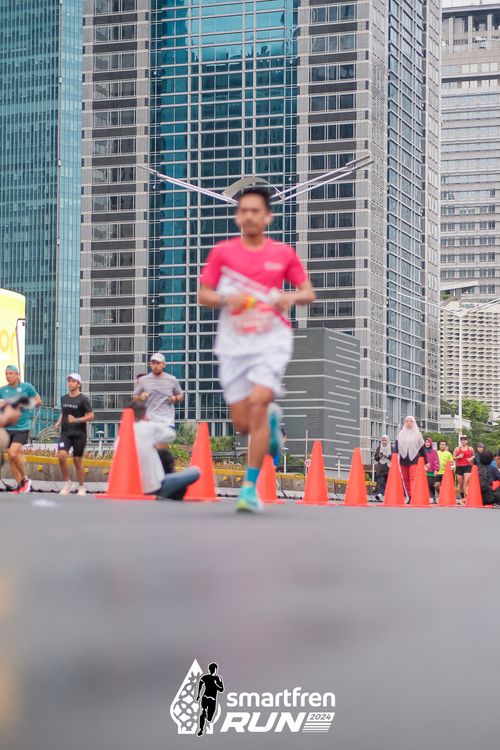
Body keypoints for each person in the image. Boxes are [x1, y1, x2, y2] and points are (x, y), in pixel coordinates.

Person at [198, 186, 315, 512]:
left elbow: (307, 292)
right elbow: (203, 295)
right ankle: (271, 423)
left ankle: (249, 487)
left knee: (260, 403)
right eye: (243, 210)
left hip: (270, 338)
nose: (248, 216)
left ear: (267, 217)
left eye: (255, 210)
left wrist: (288, 297)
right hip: (234, 343)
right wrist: (227, 298)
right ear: (238, 216)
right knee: (242, 424)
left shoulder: (282, 254)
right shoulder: (222, 253)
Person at [129, 401, 200, 499]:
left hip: (132, 488)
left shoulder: (121, 437)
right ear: (145, 415)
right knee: (195, 471)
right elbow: (171, 434)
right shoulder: (148, 426)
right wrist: (156, 440)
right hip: (154, 488)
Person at [0, 365, 42, 493]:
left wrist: (22, 403)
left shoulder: (27, 387)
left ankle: (25, 479)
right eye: (6, 374)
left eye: (11, 373)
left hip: (21, 428)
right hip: (7, 428)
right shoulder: (3, 390)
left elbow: (39, 401)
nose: (8, 376)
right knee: (11, 458)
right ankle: (21, 485)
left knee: (13, 453)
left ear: (18, 375)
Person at [54, 374, 94, 495]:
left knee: (77, 460)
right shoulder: (64, 398)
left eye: (73, 381)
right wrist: (58, 423)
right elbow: (64, 412)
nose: (70, 383)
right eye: (69, 381)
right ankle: (67, 483)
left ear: (79, 384)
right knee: (61, 455)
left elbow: (91, 416)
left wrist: (76, 420)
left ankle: (81, 486)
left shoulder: (83, 399)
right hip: (66, 433)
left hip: (79, 434)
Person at [133, 353, 183, 428]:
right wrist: (141, 398)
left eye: (158, 363)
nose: (155, 366)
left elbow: (181, 396)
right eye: (153, 363)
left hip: (167, 421)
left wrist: (175, 398)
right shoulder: (143, 380)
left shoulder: (172, 379)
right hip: (149, 421)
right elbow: (134, 397)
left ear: (164, 365)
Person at [394, 416, 426, 502]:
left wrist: (426, 461)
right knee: (405, 478)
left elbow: (422, 448)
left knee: (413, 477)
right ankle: (408, 495)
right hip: (403, 459)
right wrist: (394, 456)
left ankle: (413, 496)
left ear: (414, 422)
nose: (408, 423)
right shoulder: (400, 434)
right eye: (407, 421)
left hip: (414, 458)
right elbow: (396, 446)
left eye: (411, 421)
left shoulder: (417, 434)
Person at [196, 662, 224, 737]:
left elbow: (221, 689)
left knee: (209, 718)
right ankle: (201, 729)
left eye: (213, 669)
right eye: (211, 669)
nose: (212, 670)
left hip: (211, 699)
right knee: (203, 711)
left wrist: (216, 684)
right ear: (210, 669)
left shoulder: (218, 678)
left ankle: (205, 716)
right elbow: (200, 684)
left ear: (215, 669)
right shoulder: (205, 677)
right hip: (206, 698)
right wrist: (198, 694)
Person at [453, 435, 474, 500]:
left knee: (466, 482)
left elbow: (474, 455)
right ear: (460, 441)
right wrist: (458, 457)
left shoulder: (470, 448)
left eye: (464, 440)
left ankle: (467, 498)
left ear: (467, 441)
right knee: (461, 484)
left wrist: (471, 458)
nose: (463, 441)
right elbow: (453, 457)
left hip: (468, 466)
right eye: (462, 440)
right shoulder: (457, 449)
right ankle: (462, 498)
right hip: (459, 466)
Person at [373, 435, 391, 501]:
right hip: (380, 469)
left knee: (388, 484)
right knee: (381, 483)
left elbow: (394, 457)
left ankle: (386, 497)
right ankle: (379, 495)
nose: (383, 442)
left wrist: (387, 456)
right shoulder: (379, 448)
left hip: (389, 469)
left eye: (385, 440)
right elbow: (375, 458)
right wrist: (379, 456)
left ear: (388, 441)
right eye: (382, 440)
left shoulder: (391, 448)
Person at [423, 437, 440, 503]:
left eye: (428, 442)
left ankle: (433, 496)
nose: (427, 444)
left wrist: (436, 469)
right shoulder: (422, 451)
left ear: (430, 443)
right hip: (423, 471)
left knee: (431, 485)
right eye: (426, 442)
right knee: (424, 485)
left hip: (431, 471)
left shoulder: (434, 452)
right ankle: (425, 498)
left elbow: (436, 460)